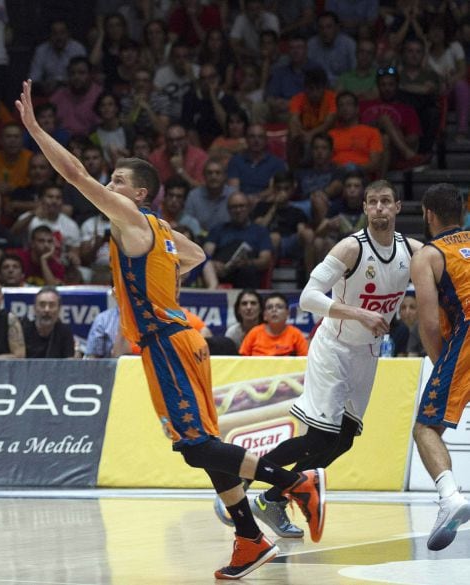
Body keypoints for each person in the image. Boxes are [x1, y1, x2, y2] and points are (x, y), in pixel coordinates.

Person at [17, 79, 326, 579]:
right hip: (184, 339)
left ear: (138, 192)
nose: (109, 187)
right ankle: (249, 538)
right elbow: (198, 255)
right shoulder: (159, 231)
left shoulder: (132, 218)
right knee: (205, 448)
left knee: (195, 448)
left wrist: (34, 127)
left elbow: (74, 174)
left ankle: (293, 484)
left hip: (165, 343)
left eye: (117, 181)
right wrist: (156, 283)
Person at [219, 179, 421, 538]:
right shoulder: (351, 248)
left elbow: (446, 264)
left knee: (342, 441)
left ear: (398, 207)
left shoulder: (412, 250)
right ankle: (243, 476)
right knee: (317, 439)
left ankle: (272, 498)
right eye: (372, 202)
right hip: (334, 348)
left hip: (366, 354)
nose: (378, 208)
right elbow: (309, 297)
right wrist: (359, 314)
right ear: (364, 208)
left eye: (385, 202)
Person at [410, 183, 470, 551]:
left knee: (426, 427)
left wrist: (441, 368)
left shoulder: (428, 255)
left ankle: (450, 498)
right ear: (462, 211)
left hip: (466, 338)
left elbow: (429, 324)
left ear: (427, 214)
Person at [239, 292, 308, 356]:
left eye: (279, 307)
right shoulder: (254, 333)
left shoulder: (296, 335)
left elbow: (305, 360)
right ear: (264, 315)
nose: (274, 310)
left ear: (287, 313)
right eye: (269, 307)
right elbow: (242, 360)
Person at [22, 286, 75, 358]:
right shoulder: (24, 331)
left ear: (59, 309)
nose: (47, 310)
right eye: (42, 305)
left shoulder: (65, 333)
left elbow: (69, 362)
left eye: (52, 305)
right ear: (34, 308)